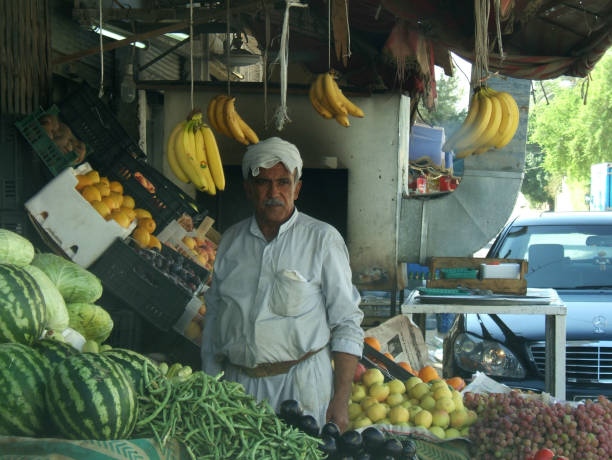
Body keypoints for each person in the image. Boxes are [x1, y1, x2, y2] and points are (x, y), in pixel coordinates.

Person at [201, 137, 364, 431]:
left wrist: (340, 400)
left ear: (297, 188)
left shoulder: (322, 240)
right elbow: (214, 313)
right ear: (248, 189)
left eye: (283, 182)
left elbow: (347, 322)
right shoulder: (230, 242)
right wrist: (209, 381)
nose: (274, 192)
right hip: (238, 388)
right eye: (263, 182)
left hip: (299, 386)